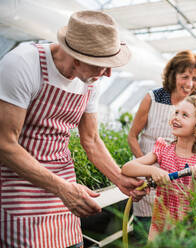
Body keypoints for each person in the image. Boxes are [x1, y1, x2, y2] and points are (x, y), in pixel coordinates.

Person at [0, 10, 148, 248]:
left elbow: (91, 139)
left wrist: (119, 178)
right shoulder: (24, 64)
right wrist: (61, 188)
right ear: (76, 56)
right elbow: (5, 144)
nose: (109, 74)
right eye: (103, 65)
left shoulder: (89, 80)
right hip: (20, 186)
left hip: (66, 186)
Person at [127, 50, 196, 238]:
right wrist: (146, 168)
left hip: (180, 182)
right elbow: (133, 136)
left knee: (175, 233)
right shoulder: (153, 98)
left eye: (195, 78)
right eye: (185, 76)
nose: (189, 84)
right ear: (173, 75)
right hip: (149, 178)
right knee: (146, 231)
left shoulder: (194, 106)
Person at [122, 95, 196, 240]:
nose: (176, 117)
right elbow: (127, 168)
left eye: (185, 115)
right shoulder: (165, 149)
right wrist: (152, 170)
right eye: (176, 112)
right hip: (160, 227)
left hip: (191, 230)